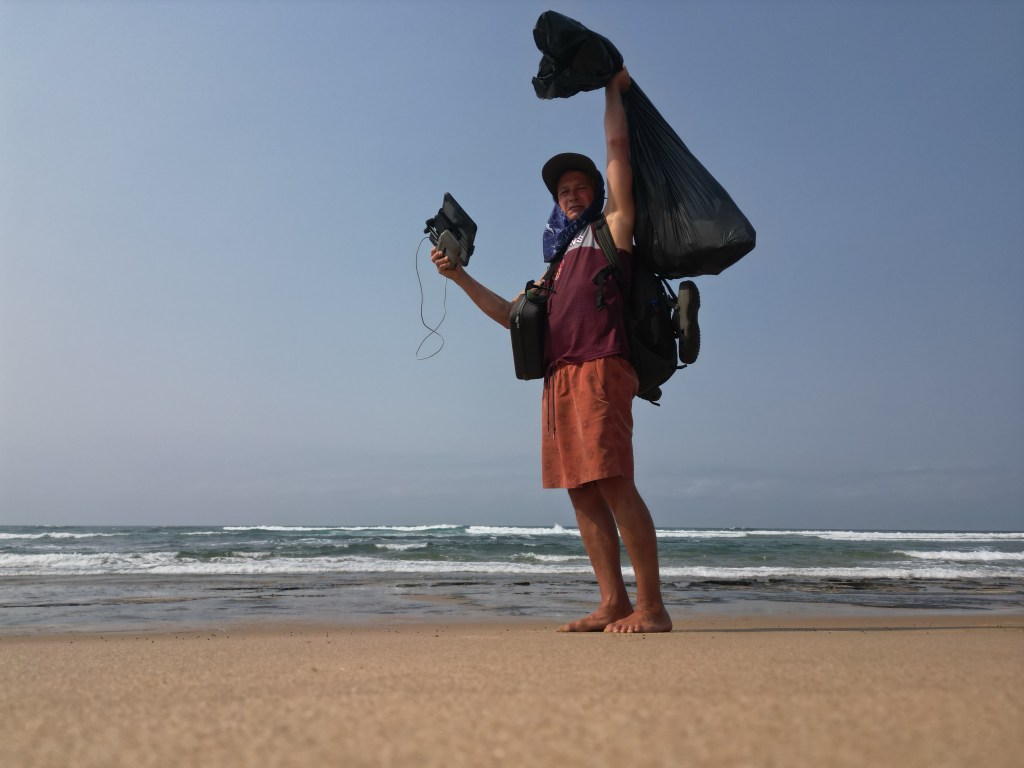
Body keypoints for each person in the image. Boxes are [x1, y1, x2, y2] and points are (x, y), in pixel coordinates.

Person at [431, 68, 671, 634]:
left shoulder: (613, 230)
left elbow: (616, 150)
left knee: (613, 481)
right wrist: (460, 277)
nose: (572, 195)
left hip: (601, 368)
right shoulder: (553, 266)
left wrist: (612, 85)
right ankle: (613, 601)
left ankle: (653, 607)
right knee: (581, 491)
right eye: (564, 191)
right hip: (558, 380)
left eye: (580, 187)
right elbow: (510, 317)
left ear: (597, 194)